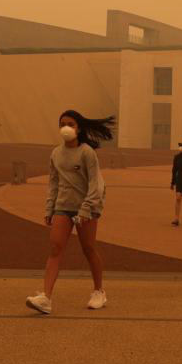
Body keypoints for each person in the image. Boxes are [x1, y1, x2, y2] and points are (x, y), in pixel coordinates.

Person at [25, 110, 115, 315]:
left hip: (87, 207)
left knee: (89, 248)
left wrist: (86, 208)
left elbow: (95, 183)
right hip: (63, 207)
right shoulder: (56, 153)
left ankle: (99, 291)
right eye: (62, 124)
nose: (66, 127)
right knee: (55, 248)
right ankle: (46, 298)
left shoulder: (86, 152)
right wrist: (50, 208)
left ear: (78, 128)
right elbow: (54, 182)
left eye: (70, 124)